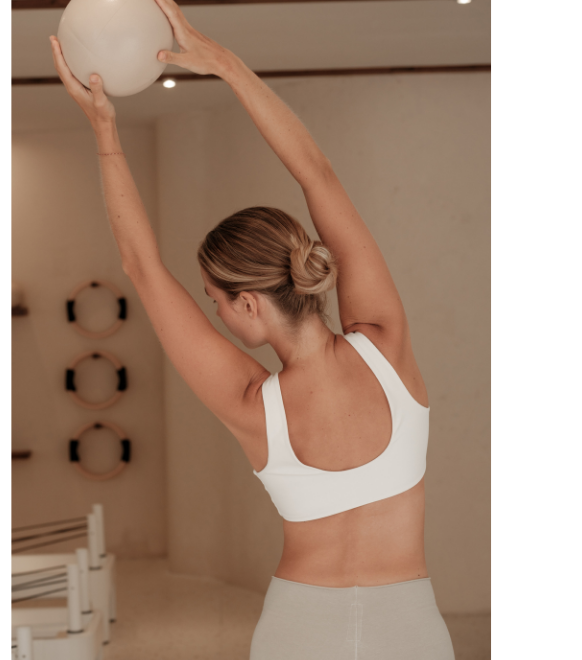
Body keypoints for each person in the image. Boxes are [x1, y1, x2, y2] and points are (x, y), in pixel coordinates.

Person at [49, 0, 454, 656]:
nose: (212, 312)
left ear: (247, 304)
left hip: (298, 628)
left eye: (212, 300)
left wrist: (103, 129)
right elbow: (314, 174)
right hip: (410, 625)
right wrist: (226, 65)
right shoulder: (386, 343)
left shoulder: (251, 407)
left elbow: (142, 268)